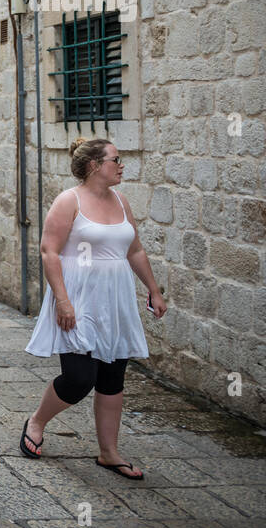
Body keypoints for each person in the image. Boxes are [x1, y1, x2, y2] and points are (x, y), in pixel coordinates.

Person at [18, 138, 167, 480]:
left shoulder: (121, 201)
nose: (122, 165)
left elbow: (134, 250)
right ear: (94, 165)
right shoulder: (69, 200)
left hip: (115, 300)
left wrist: (154, 290)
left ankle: (109, 453)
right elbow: (49, 251)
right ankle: (37, 421)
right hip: (78, 297)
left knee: (113, 376)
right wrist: (62, 300)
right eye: (116, 159)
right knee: (79, 377)